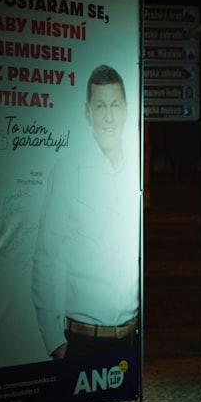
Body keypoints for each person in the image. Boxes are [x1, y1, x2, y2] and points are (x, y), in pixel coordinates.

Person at [32, 64, 140, 360]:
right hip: (83, 343)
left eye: (115, 105)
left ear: (126, 110)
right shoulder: (67, 170)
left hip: (131, 339)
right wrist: (54, 341)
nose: (108, 116)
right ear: (87, 112)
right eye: (100, 105)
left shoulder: (137, 169)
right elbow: (44, 257)